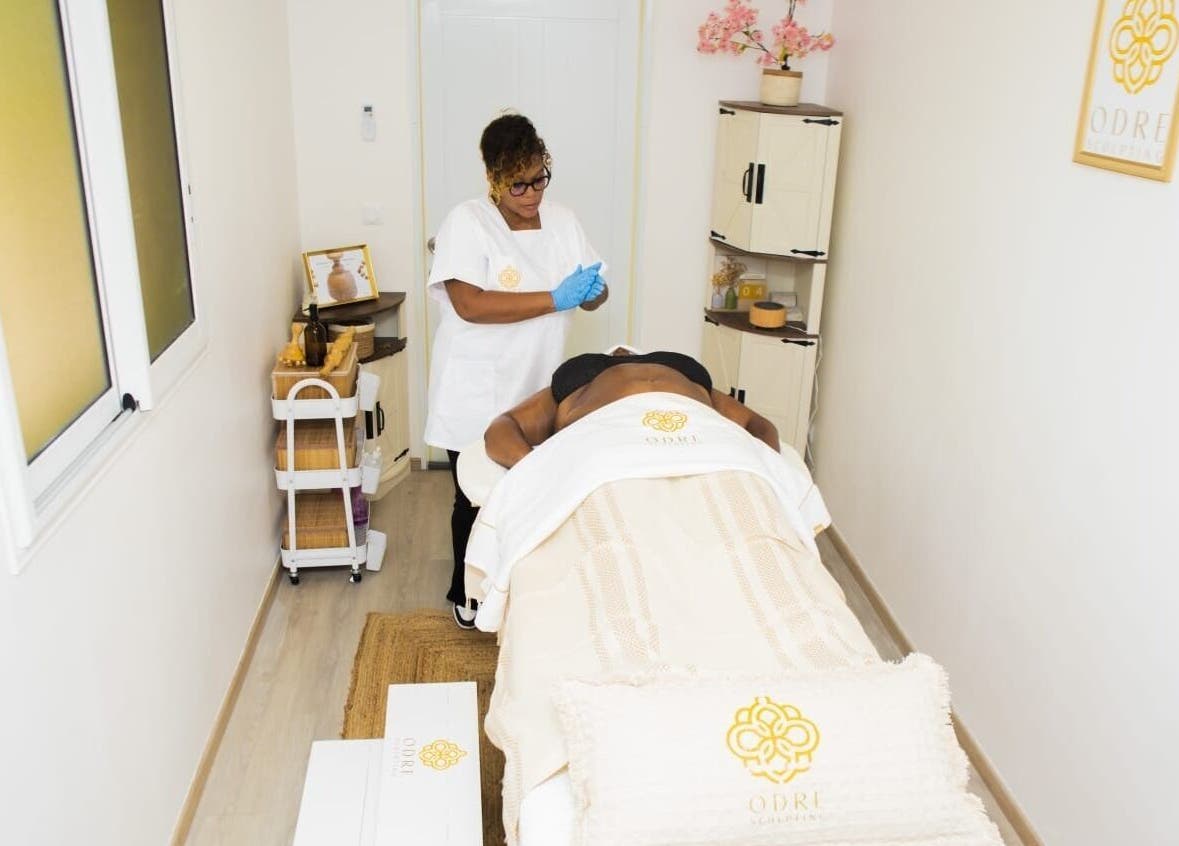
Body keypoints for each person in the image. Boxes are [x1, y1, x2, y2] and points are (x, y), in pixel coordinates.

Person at [425, 113, 609, 629]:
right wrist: (555, 298)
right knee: (474, 492)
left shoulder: (564, 221)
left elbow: (596, 291)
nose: (531, 194)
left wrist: (592, 292)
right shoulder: (467, 222)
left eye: (538, 178)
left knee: (531, 487)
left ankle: (523, 590)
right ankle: (467, 591)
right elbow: (470, 304)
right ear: (493, 180)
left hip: (536, 382)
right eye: (518, 184)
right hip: (474, 385)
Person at [484, 348, 779, 469]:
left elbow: (758, 425)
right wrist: (538, 471)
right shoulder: (574, 382)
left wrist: (766, 467)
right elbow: (503, 427)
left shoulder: (685, 375)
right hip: (609, 439)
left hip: (692, 436)